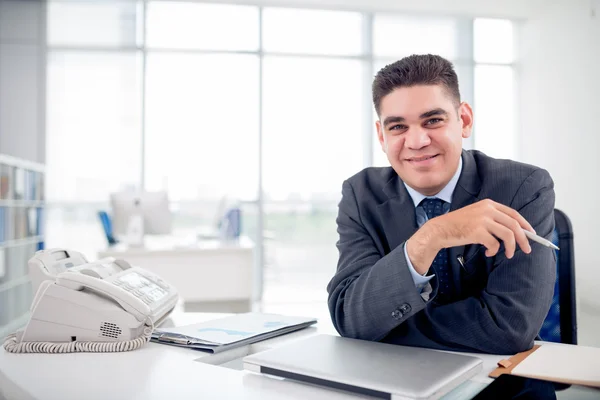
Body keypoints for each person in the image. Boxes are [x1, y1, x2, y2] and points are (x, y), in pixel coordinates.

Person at [327, 54, 556, 354]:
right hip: (398, 382)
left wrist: (381, 325)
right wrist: (432, 236)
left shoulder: (523, 188)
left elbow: (510, 329)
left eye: (433, 120)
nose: (417, 141)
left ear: (464, 120)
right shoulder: (361, 194)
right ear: (382, 136)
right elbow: (349, 316)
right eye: (397, 127)